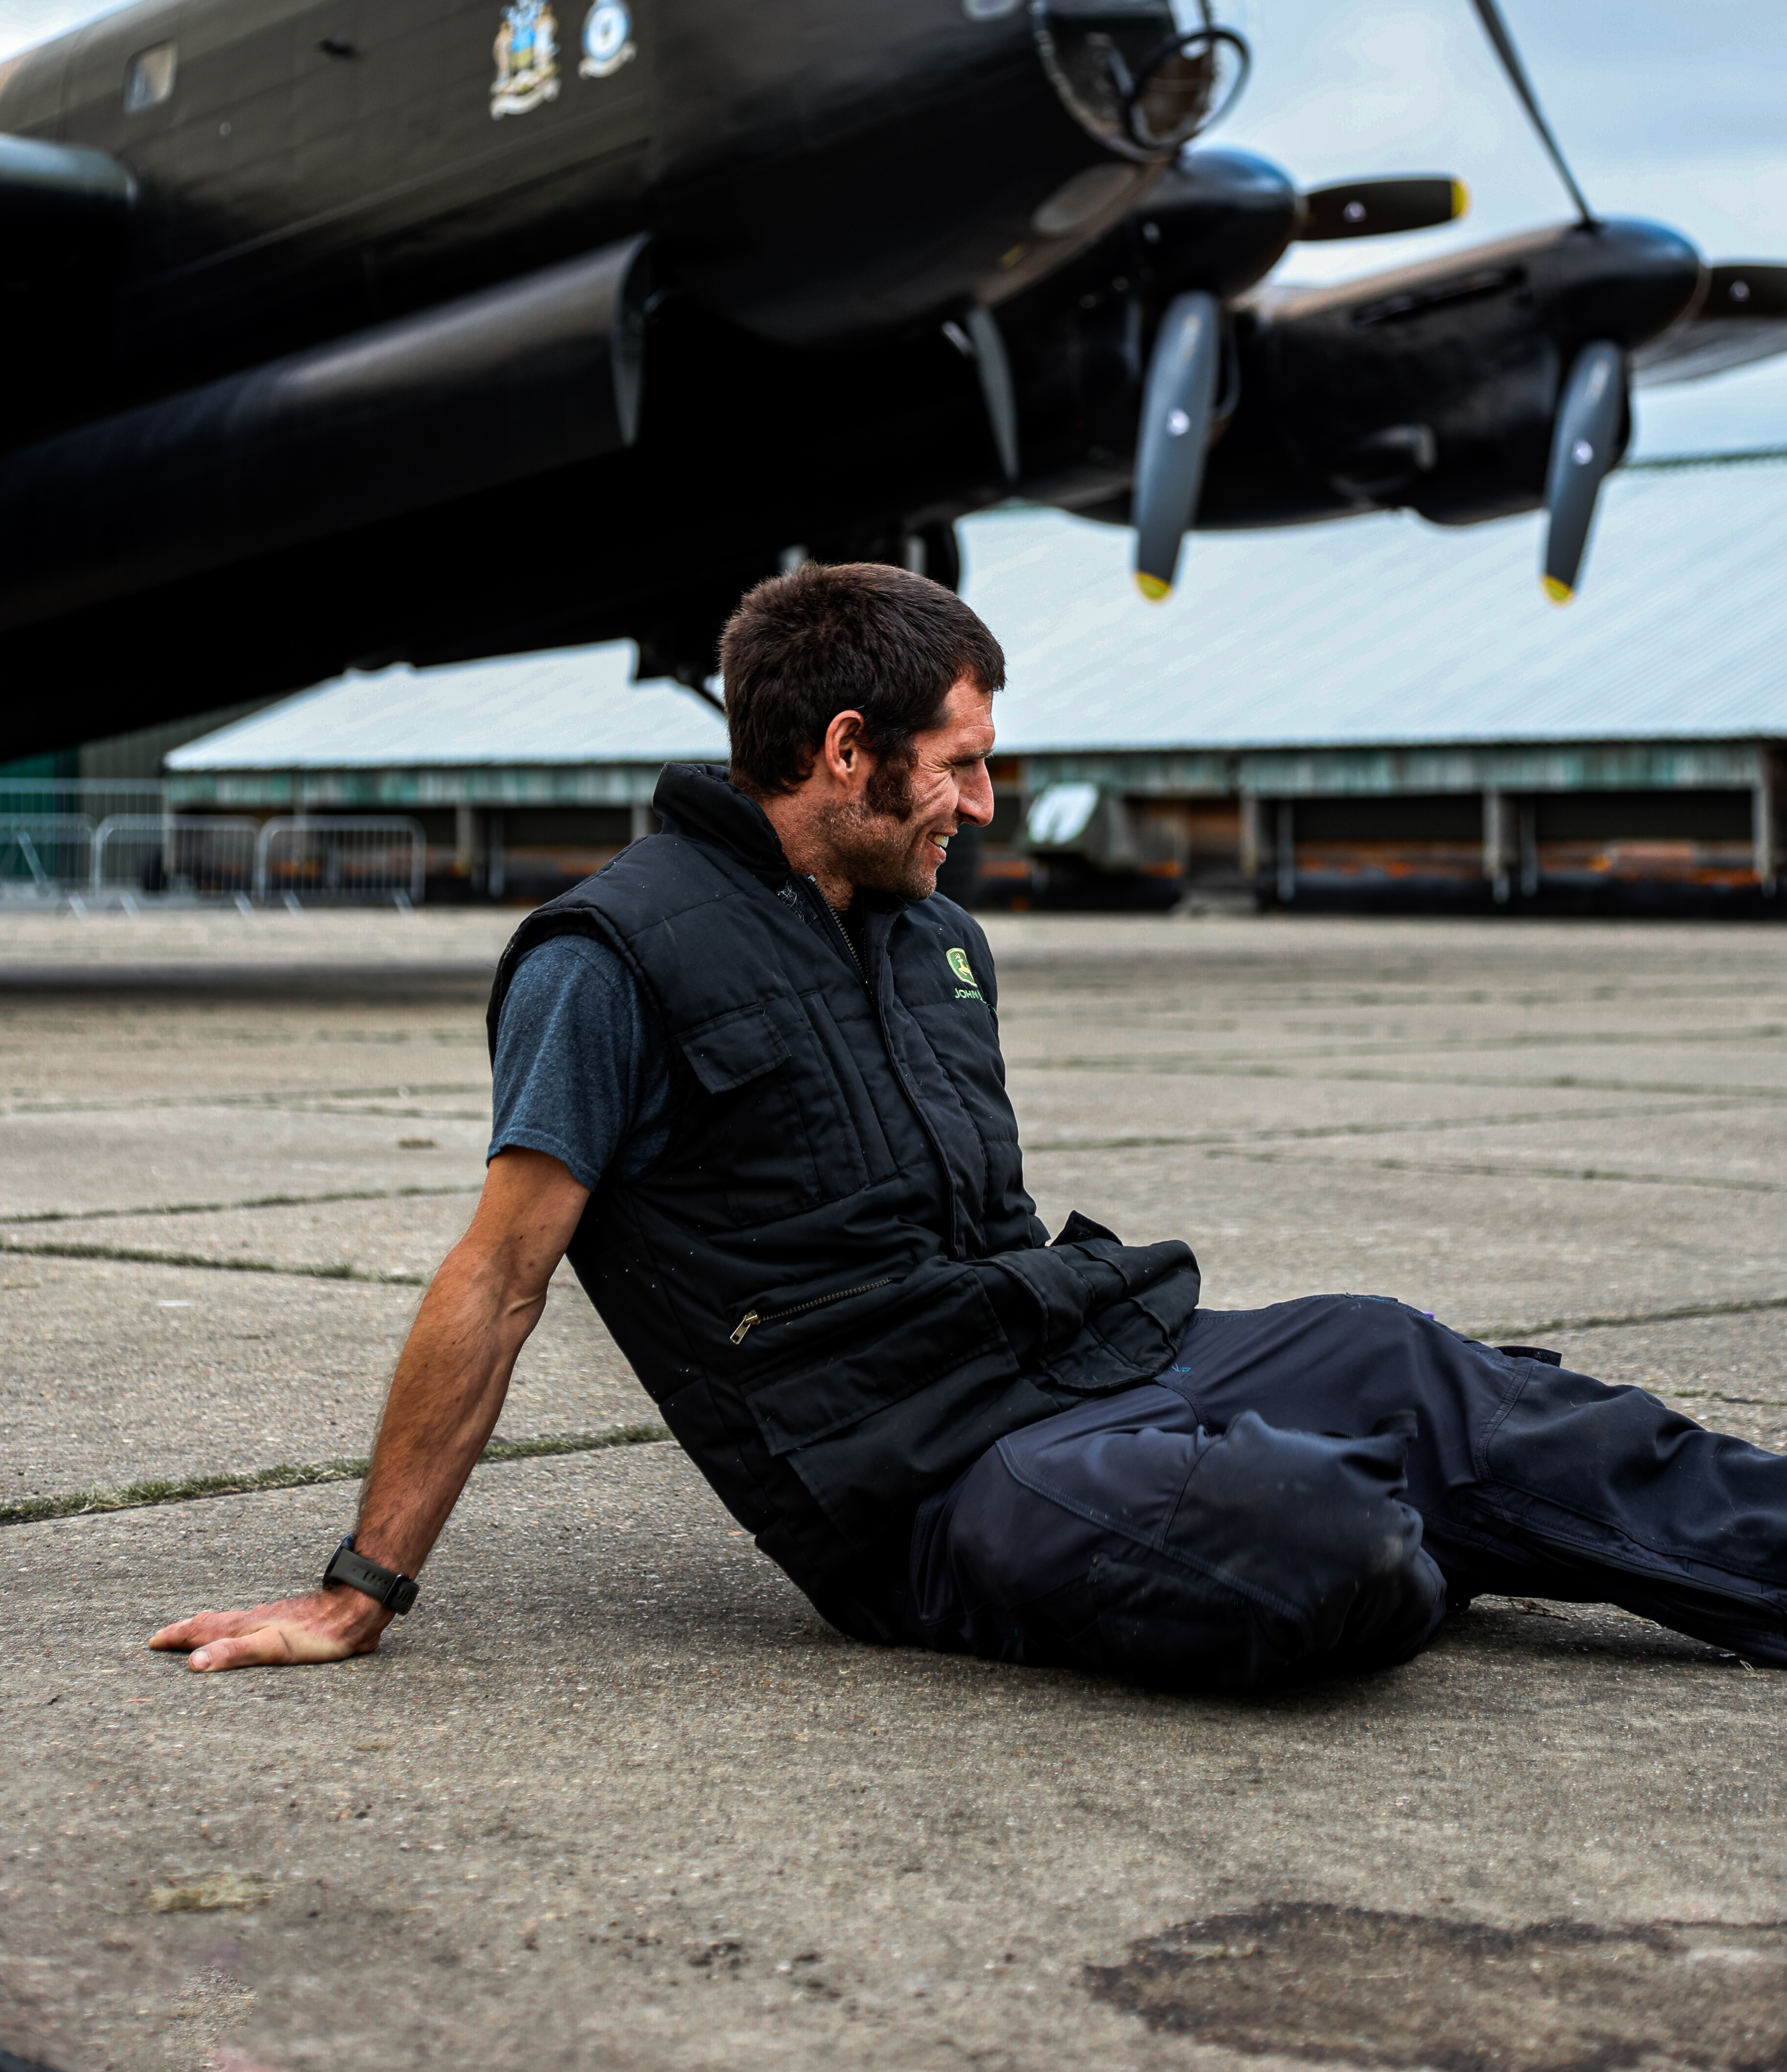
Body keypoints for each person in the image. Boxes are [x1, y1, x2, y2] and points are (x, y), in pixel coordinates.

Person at [154, 563, 1787, 1687]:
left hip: (1079, 1358)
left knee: (1422, 1366)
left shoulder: (936, 941)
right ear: (846, 752)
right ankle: (1412, 1528)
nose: (987, 807)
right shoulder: (610, 961)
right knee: (1317, 1535)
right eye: (962, 765)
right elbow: (500, 1277)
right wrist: (358, 1591)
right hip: (924, 1486)